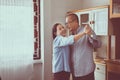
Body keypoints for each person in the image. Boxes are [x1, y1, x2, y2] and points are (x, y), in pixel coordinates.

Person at [65, 13, 101, 80]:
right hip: (75, 73)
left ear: (75, 22)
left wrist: (90, 35)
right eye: (66, 23)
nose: (67, 26)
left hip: (86, 73)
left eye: (68, 23)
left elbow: (98, 44)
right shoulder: (70, 36)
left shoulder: (86, 30)